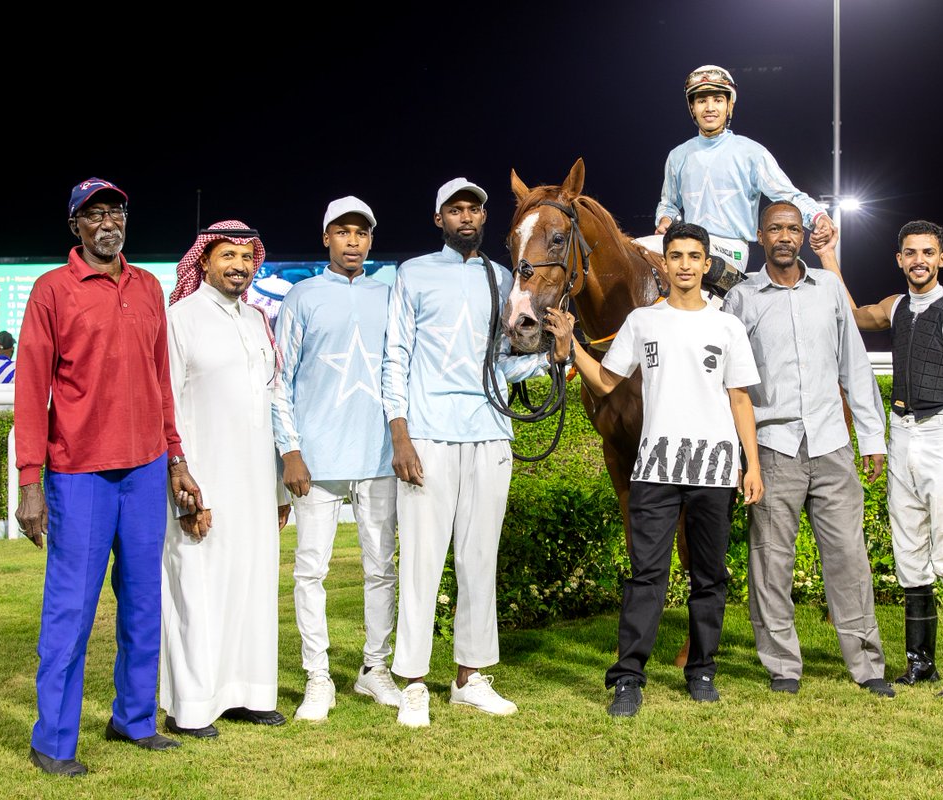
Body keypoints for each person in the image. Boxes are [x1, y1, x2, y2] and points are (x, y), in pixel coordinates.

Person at [15, 178, 203, 777]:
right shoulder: (51, 290)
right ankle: (53, 741)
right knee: (70, 610)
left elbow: (160, 383)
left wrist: (174, 457)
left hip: (147, 468)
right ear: (76, 226)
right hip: (79, 474)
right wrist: (30, 481)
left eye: (115, 212)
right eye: (94, 214)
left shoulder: (148, 286)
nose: (107, 223)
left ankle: (133, 720)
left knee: (144, 604)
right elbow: (29, 390)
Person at [549, 222, 763, 717]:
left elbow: (739, 398)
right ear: (662, 263)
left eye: (694, 256)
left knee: (708, 577)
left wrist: (751, 465)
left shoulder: (727, 326)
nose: (685, 265)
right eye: (676, 256)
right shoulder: (642, 322)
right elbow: (605, 382)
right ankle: (628, 678)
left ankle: (702, 671)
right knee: (647, 576)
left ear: (707, 265)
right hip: (655, 470)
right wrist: (571, 343)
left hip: (713, 470)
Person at [381, 178, 570, 727]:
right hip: (429, 437)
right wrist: (400, 434)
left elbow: (503, 365)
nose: (466, 217)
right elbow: (396, 355)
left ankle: (470, 677)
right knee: (421, 561)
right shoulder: (412, 273)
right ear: (438, 219)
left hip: (489, 433)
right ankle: (413, 682)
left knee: (478, 559)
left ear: (486, 218)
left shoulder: (504, 277)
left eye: (474, 209)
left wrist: (553, 358)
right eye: (455, 210)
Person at [819, 220, 943, 699]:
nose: (918, 259)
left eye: (928, 252)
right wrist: (828, 256)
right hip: (900, 435)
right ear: (899, 259)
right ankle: (919, 664)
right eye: (910, 252)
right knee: (909, 554)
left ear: (942, 258)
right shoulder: (895, 306)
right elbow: (851, 313)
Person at [721, 201, 893, 697]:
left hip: (832, 446)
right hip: (773, 448)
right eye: (775, 227)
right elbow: (730, 384)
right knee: (770, 561)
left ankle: (867, 666)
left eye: (793, 228)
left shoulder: (831, 292)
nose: (784, 236)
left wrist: (872, 437)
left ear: (802, 236)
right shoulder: (742, 299)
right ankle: (783, 667)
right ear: (760, 235)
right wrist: (740, 454)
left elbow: (854, 367)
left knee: (849, 559)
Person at [272, 197, 403, 721]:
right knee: (311, 571)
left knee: (381, 569)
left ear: (371, 240)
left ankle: (375, 670)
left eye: (362, 233)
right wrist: (291, 451)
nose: (353, 241)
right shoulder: (300, 297)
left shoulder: (388, 296)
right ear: (326, 236)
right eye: (343, 232)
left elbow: (400, 371)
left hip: (377, 454)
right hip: (317, 458)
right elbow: (279, 381)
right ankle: (317, 677)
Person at [159, 220, 288, 738]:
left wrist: (279, 489)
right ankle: (191, 706)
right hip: (203, 480)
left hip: (256, 482)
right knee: (198, 589)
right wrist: (184, 485)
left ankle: (248, 695)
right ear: (204, 262)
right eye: (227, 255)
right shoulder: (179, 319)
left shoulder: (258, 320)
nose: (239, 265)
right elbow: (167, 406)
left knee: (253, 584)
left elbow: (272, 403)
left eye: (246, 256)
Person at [654, 65, 836, 273]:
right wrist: (665, 220)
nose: (710, 107)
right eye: (702, 101)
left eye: (718, 100)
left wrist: (818, 217)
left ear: (729, 106)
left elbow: (788, 196)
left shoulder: (752, 152)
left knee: (692, 265)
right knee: (638, 251)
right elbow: (668, 204)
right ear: (692, 107)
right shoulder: (678, 155)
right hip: (688, 243)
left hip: (731, 249)